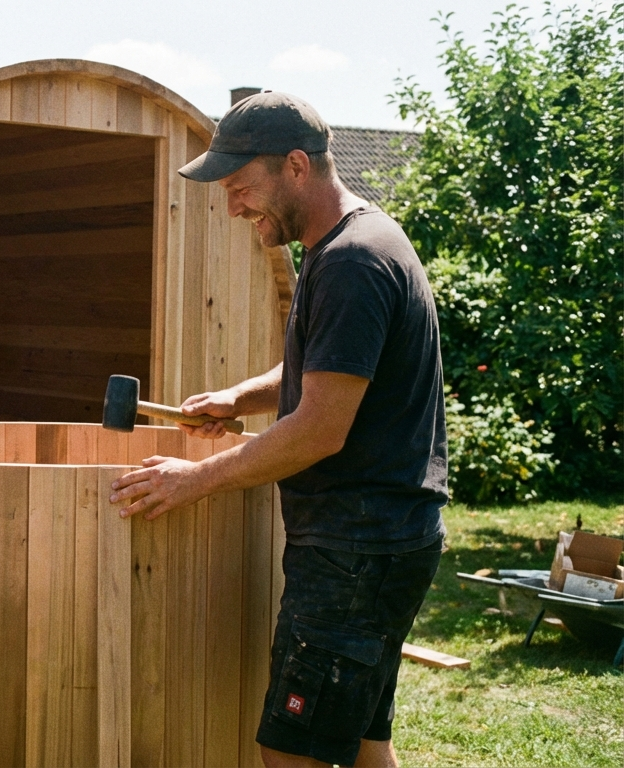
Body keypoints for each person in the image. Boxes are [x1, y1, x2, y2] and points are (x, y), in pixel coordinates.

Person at [108, 93, 447, 768]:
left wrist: (194, 478)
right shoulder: (354, 239)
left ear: (296, 165)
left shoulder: (353, 263)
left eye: (241, 189)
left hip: (357, 551)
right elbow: (334, 368)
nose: (233, 208)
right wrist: (242, 395)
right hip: (380, 544)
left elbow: (321, 428)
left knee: (290, 752)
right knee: (364, 744)